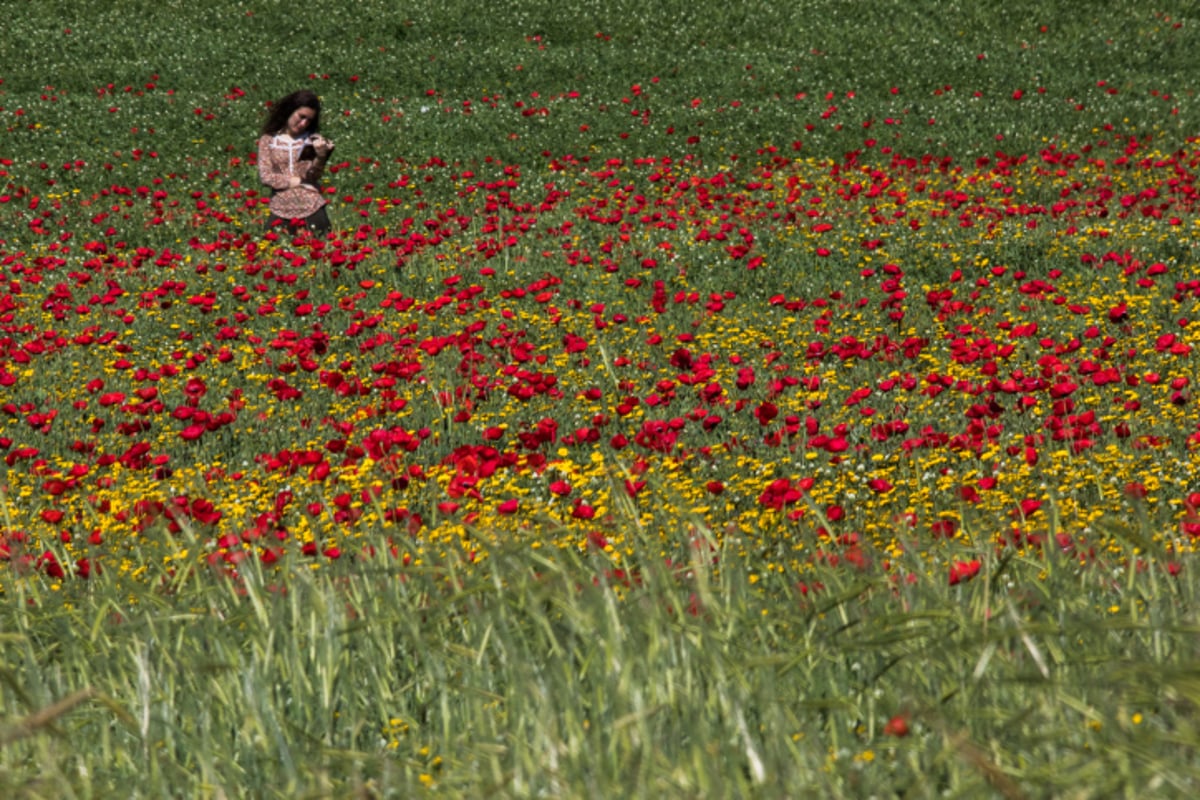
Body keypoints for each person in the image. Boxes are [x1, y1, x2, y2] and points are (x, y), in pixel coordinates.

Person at [257, 89, 335, 235]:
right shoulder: (269, 140)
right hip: (280, 207)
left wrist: (321, 157)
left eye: (309, 120)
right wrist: (299, 182)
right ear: (290, 111)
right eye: (301, 116)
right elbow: (266, 177)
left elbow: (312, 176)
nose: (303, 123)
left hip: (312, 206)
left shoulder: (313, 140)